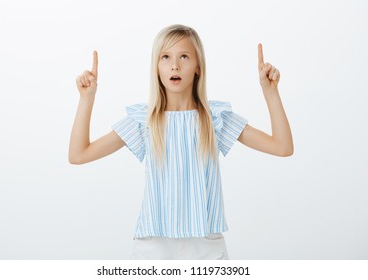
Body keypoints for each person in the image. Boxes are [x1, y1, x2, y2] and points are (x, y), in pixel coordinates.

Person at [69, 24, 293, 260]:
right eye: (165, 57)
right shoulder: (144, 120)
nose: (174, 65)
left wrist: (270, 92)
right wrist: (87, 98)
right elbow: (78, 155)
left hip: (206, 246)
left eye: (184, 56)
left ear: (198, 67)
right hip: (153, 247)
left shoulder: (214, 118)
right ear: (156, 67)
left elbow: (282, 147)